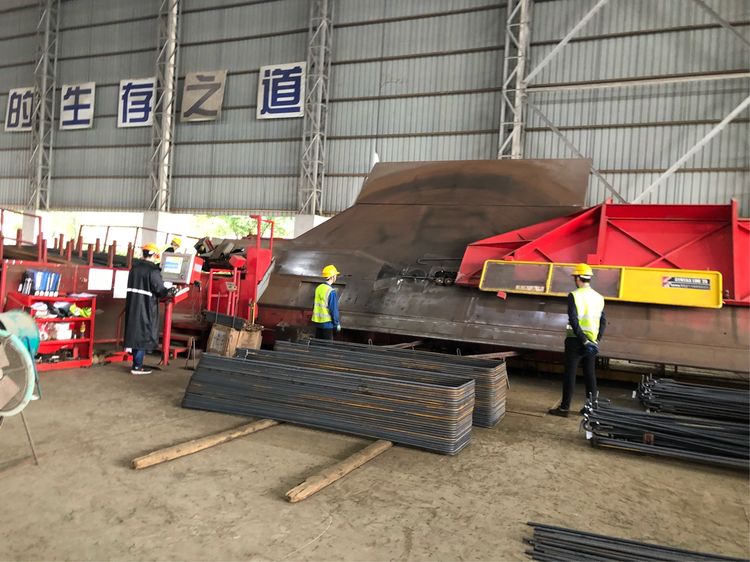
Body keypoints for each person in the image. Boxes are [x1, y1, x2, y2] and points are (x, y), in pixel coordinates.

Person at [548, 263, 606, 417]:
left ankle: (564, 408)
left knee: (570, 373)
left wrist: (583, 339)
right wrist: (595, 340)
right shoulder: (599, 297)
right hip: (592, 342)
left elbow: (573, 320)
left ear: (578, 278)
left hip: (575, 340)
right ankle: (591, 408)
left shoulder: (574, 295)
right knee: (590, 373)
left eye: (575, 277)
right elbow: (603, 321)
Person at [124, 243, 171, 375]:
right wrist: (169, 290)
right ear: (154, 255)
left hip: (133, 306)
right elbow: (160, 290)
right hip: (146, 307)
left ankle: (136, 363)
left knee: (135, 333)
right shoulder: (153, 271)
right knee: (143, 334)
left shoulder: (134, 268)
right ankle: (137, 367)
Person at [311, 264, 341, 340]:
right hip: (327, 324)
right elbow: (333, 309)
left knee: (317, 344)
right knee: (326, 346)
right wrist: (336, 323)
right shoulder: (331, 291)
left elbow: (314, 305)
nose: (336, 277)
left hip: (317, 323)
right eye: (335, 275)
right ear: (332, 276)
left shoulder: (318, 288)